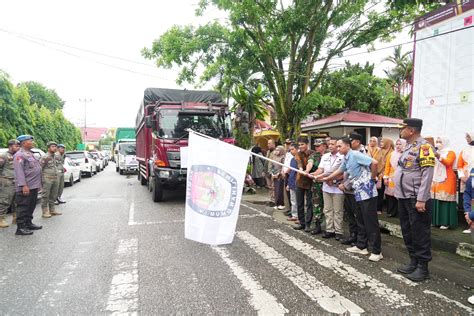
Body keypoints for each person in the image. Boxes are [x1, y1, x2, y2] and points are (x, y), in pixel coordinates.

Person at [322, 136, 383, 262]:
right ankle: (362, 246)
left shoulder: (355, 154)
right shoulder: (346, 157)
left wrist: (372, 178)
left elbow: (374, 163)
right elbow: (339, 170)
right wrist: (325, 178)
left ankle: (377, 251)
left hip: (367, 192)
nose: (338, 148)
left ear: (347, 146)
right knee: (360, 219)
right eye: (337, 146)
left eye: (340, 146)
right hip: (358, 192)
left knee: (370, 221)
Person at [394, 118, 435, 282]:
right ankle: (414, 261)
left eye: (402, 128)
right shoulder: (409, 147)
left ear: (411, 130)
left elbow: (427, 174)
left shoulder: (425, 147)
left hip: (416, 198)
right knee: (407, 231)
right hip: (404, 197)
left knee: (420, 233)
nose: (400, 131)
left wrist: (421, 199)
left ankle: (423, 268)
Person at [312, 138, 345, 240]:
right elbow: (321, 169)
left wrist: (332, 179)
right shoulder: (325, 156)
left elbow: (342, 173)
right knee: (327, 209)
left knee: (338, 210)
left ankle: (338, 231)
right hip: (326, 187)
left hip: (338, 188)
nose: (330, 146)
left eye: (333, 144)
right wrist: (312, 174)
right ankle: (329, 229)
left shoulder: (343, 157)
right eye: (329, 144)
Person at [13, 135, 43, 235]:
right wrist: (24, 185)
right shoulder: (19, 155)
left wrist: (38, 184)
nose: (32, 142)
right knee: (23, 207)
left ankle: (28, 223)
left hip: (33, 185)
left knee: (31, 206)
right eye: (30, 141)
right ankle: (20, 228)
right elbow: (19, 172)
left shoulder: (29, 154)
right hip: (26, 186)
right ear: (24, 143)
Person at [431, 137, 457, 229]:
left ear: (445, 142)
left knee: (445, 200)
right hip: (435, 178)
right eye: (437, 142)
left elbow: (448, 163)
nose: (438, 143)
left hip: (447, 179)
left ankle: (445, 222)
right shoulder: (435, 152)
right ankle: (435, 221)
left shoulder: (451, 152)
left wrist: (439, 157)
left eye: (440, 142)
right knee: (435, 199)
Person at [293, 136, 315, 232]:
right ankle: (302, 223)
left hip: (310, 181)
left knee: (309, 204)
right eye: (299, 145)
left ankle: (308, 224)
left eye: (302, 144)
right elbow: (299, 163)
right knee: (299, 203)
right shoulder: (298, 154)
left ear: (307, 144)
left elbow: (311, 162)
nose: (301, 146)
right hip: (300, 181)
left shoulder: (313, 153)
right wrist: (301, 169)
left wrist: (307, 171)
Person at [383, 139, 407, 217]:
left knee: (400, 196)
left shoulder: (407, 154)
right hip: (392, 178)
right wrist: (385, 177)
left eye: (400, 144)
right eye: (397, 144)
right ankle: (391, 212)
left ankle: (401, 213)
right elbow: (387, 166)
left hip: (403, 178)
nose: (398, 146)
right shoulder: (392, 154)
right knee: (391, 196)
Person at [0, 139, 20, 228]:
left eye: (19, 146)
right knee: (5, 201)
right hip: (7, 182)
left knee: (16, 201)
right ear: (11, 146)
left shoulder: (18, 156)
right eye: (16, 146)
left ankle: (15, 217)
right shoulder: (4, 156)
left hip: (16, 182)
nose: (18, 147)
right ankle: (1, 219)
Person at [40, 142, 62, 218]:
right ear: (48, 148)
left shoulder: (55, 156)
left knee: (53, 195)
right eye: (53, 146)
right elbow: (40, 168)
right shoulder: (45, 157)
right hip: (47, 179)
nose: (55, 148)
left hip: (55, 178)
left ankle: (52, 210)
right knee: (45, 195)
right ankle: (45, 211)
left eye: (56, 146)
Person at [308, 139, 326, 235]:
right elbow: (310, 163)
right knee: (317, 205)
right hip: (316, 184)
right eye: (315, 146)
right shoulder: (314, 155)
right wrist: (308, 171)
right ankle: (317, 225)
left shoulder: (328, 155)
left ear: (324, 145)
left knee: (328, 207)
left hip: (328, 184)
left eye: (318, 146)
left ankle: (330, 227)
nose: (316, 148)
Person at [457, 132, 474, 234]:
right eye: (466, 136)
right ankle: (469, 226)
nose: (466, 138)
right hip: (466, 178)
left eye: (468, 136)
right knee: (467, 200)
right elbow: (459, 165)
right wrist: (462, 176)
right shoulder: (464, 150)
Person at [375, 138, 394, 214]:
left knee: (388, 194)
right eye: (381, 142)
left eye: (383, 142)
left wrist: (384, 173)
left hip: (388, 176)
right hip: (378, 175)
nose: (381, 143)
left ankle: (389, 210)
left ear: (387, 143)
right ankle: (378, 208)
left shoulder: (392, 152)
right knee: (379, 192)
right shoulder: (379, 151)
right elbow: (375, 161)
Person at [285, 143, 299, 221]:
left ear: (297, 149)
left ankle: (300, 216)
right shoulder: (292, 159)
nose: (291, 151)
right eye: (290, 150)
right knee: (293, 200)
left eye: (293, 149)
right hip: (292, 182)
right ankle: (294, 215)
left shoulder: (299, 158)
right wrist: (288, 183)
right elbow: (291, 172)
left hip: (298, 183)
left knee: (299, 201)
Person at [270, 145, 286, 210]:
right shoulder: (273, 157)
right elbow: (271, 166)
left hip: (280, 176)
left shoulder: (283, 157)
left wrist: (278, 173)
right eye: (276, 150)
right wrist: (272, 173)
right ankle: (276, 203)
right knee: (275, 190)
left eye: (278, 150)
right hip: (274, 176)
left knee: (280, 190)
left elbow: (283, 167)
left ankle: (281, 203)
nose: (276, 151)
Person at [264, 139, 276, 207]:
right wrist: (264, 171)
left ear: (274, 144)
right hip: (267, 171)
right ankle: (271, 199)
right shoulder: (268, 151)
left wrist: (274, 172)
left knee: (273, 186)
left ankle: (274, 200)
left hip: (273, 172)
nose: (268, 145)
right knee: (269, 187)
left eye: (269, 143)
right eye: (268, 143)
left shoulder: (276, 152)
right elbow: (266, 162)